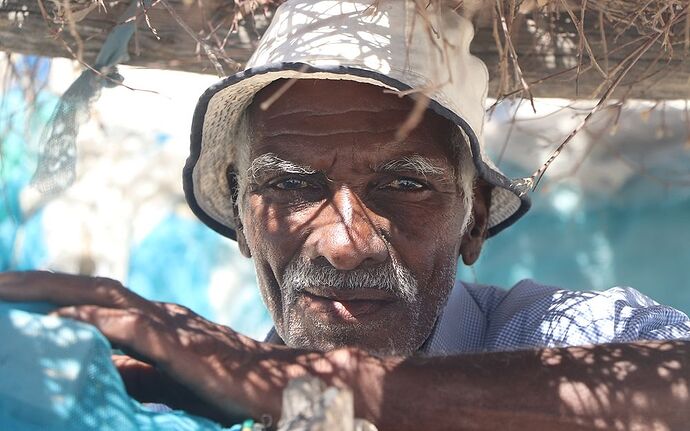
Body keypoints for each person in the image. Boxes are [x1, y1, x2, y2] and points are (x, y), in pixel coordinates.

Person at [1, 0, 689, 429]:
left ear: (474, 218)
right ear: (241, 217)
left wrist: (321, 388)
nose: (343, 242)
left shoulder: (552, 338)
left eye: (403, 184)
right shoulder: (186, 399)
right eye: (293, 184)